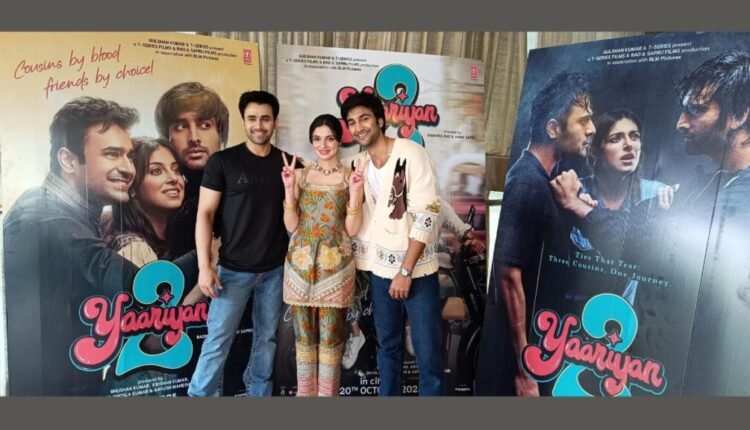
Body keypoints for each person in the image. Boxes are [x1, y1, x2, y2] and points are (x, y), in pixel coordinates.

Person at [551, 51, 750, 395]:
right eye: (615, 139)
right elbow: (641, 242)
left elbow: (641, 252)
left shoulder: (741, 197)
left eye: (696, 110)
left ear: (739, 115)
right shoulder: (708, 184)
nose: (681, 123)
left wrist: (581, 210)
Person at [3, 97, 197, 395]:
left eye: (129, 156)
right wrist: (214, 252)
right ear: (68, 160)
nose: (127, 168)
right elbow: (146, 289)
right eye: (112, 154)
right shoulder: (52, 224)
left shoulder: (49, 204)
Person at [475, 72, 596, 396]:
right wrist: (525, 369)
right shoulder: (526, 183)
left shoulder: (545, 180)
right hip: (522, 359)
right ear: (554, 128)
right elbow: (508, 275)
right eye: (584, 120)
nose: (592, 129)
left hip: (543, 343)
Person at [187, 90, 298, 397]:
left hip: (275, 272)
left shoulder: (289, 165)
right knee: (217, 341)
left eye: (265, 118)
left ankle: (259, 395)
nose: (259, 125)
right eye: (252, 118)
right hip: (231, 272)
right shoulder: (223, 162)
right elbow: (205, 214)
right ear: (243, 121)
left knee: (267, 340)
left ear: (275, 121)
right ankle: (199, 397)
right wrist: (204, 267)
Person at [341, 91, 444, 396]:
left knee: (428, 353)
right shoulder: (358, 163)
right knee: (387, 348)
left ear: (380, 120)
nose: (358, 127)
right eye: (351, 122)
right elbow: (327, 169)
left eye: (364, 118)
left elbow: (428, 214)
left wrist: (406, 271)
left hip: (416, 272)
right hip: (380, 272)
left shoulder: (410, 154)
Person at [280, 114, 365, 396]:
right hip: (300, 266)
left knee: (331, 339)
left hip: (335, 269)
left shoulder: (349, 176)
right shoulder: (300, 175)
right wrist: (289, 190)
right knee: (303, 339)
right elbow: (291, 225)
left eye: (329, 138)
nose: (323, 145)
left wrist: (356, 192)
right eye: (317, 139)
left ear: (339, 140)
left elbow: (352, 229)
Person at [154, 81, 229, 257]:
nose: (194, 138)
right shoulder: (164, 196)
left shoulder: (239, 192)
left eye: (205, 125)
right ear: (167, 137)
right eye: (181, 126)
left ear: (220, 134)